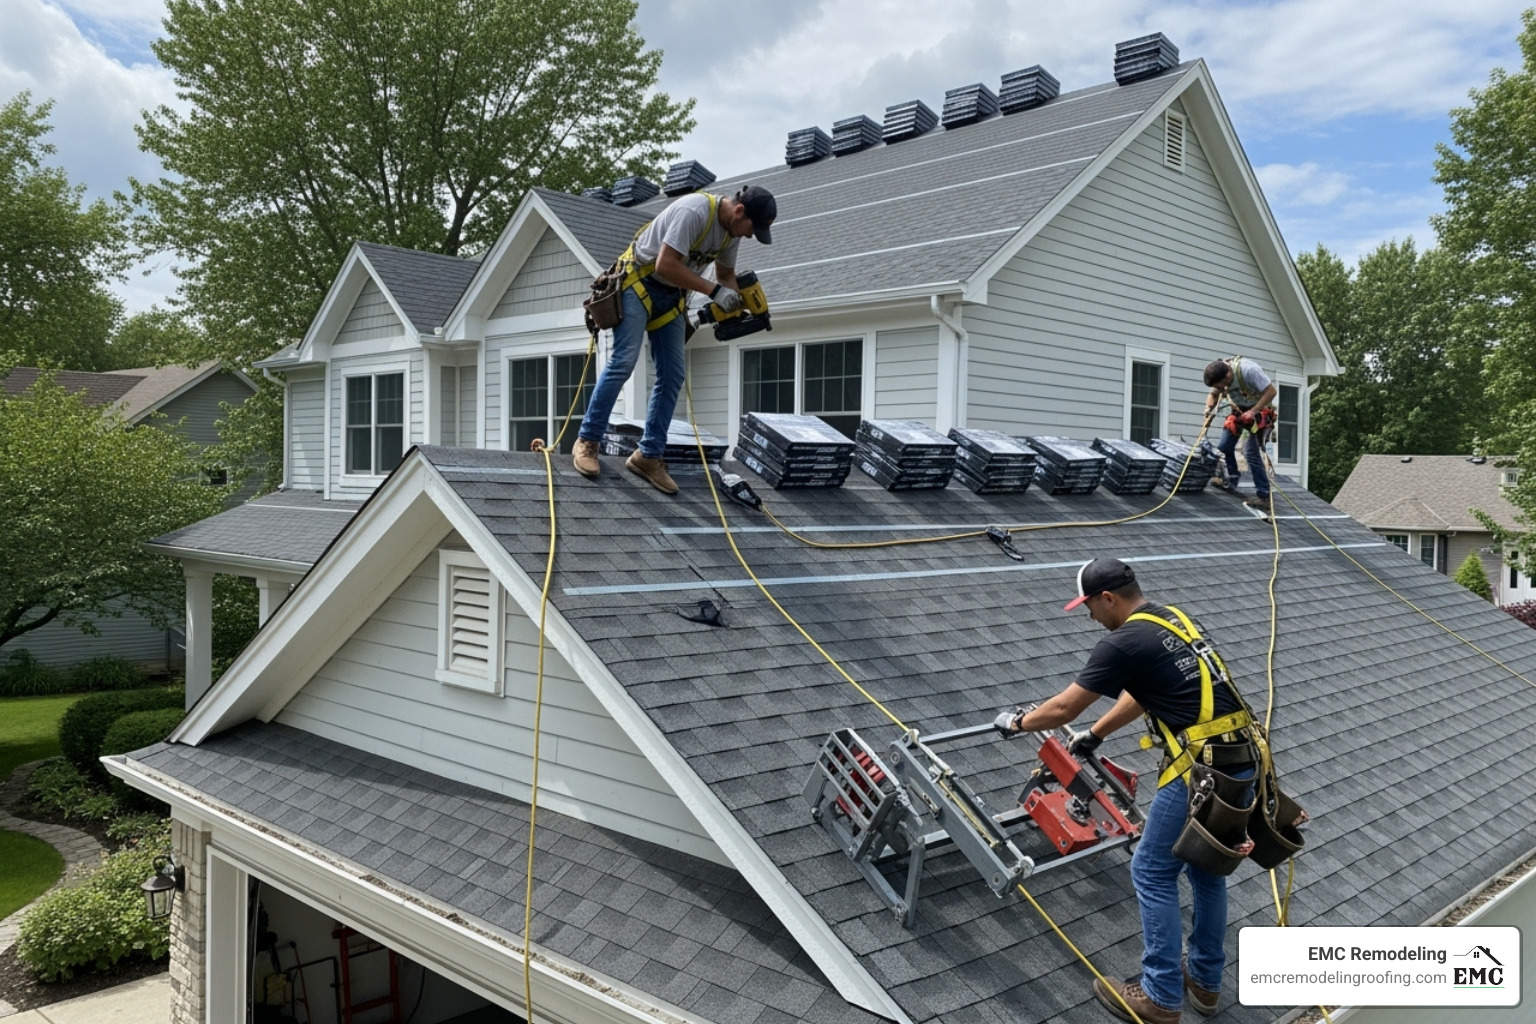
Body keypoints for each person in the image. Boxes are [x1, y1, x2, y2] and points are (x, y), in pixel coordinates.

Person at [995, 557, 1259, 1024]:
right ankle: (1204, 982)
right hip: (1241, 761)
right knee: (1206, 870)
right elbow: (1143, 690)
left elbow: (1062, 709)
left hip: (1200, 771)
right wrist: (1096, 734)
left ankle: (1159, 997)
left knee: (1151, 871)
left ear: (1108, 598)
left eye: (1089, 608)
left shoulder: (1123, 641)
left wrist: (1017, 722)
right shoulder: (1172, 620)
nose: (1090, 617)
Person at [572, 185, 777, 494]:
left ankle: (648, 456)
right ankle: (588, 441)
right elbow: (665, 264)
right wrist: (714, 292)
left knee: (673, 374)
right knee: (624, 361)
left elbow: (725, 276)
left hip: (671, 297)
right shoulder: (694, 211)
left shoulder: (731, 234)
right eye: (752, 228)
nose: (750, 235)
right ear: (739, 211)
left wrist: (739, 301)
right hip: (639, 282)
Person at [1202, 357, 1277, 510]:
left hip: (1260, 412)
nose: (1221, 388)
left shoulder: (1249, 371)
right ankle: (1232, 478)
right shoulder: (1220, 372)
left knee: (1251, 453)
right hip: (1239, 410)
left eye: (1220, 385)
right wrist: (1208, 408)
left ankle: (1264, 496)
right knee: (1224, 446)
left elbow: (1271, 391)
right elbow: (1214, 395)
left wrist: (1253, 411)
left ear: (1228, 375)